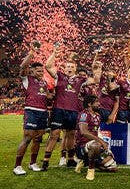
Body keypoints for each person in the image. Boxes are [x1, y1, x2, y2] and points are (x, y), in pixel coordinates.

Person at [41, 46, 92, 170]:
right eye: (68, 66)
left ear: (75, 69)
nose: (69, 68)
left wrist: (96, 66)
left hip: (73, 110)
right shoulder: (59, 76)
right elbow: (48, 66)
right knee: (55, 134)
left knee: (71, 134)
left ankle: (70, 159)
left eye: (72, 67)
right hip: (59, 109)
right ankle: (45, 161)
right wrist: (54, 53)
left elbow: (95, 80)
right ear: (64, 68)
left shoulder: (81, 80)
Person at [13, 47, 50, 175]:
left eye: (42, 71)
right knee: (27, 138)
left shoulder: (44, 83)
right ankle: (17, 166)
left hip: (43, 112)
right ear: (32, 71)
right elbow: (23, 66)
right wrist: (32, 52)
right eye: (38, 71)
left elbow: (47, 96)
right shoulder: (27, 79)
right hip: (31, 111)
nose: (40, 73)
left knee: (38, 138)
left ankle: (32, 163)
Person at [74, 95, 116, 180]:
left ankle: (85, 162)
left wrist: (106, 148)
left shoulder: (98, 116)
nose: (99, 104)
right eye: (96, 102)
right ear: (89, 104)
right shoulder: (84, 115)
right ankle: (90, 170)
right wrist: (101, 141)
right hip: (82, 146)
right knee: (95, 145)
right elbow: (84, 132)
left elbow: (97, 132)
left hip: (95, 144)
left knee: (112, 168)